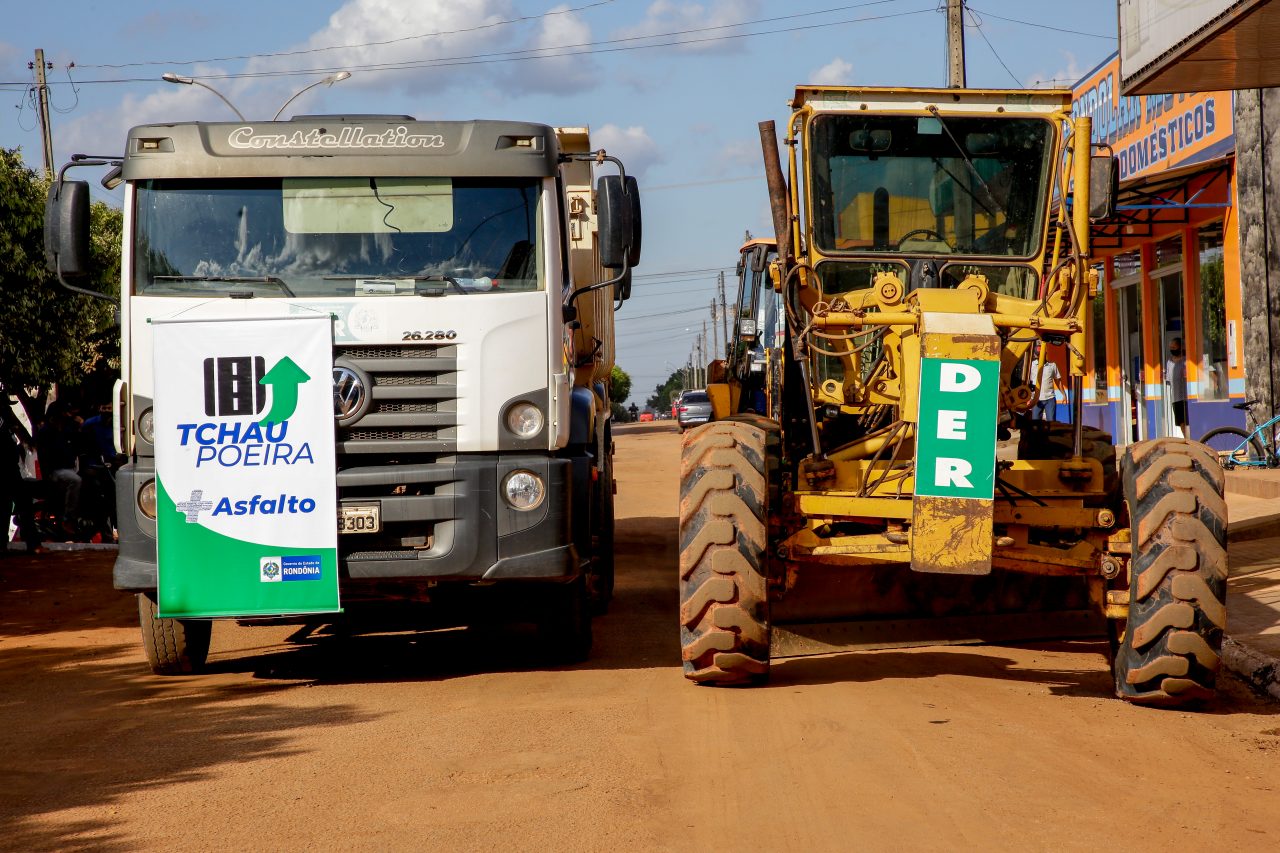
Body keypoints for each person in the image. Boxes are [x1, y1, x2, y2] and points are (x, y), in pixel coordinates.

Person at [35, 403, 82, 540]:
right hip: (55, 471)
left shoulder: (67, 430)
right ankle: (69, 518)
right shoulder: (46, 432)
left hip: (69, 468)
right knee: (76, 480)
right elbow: (45, 457)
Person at [1, 427, 44, 556]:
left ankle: (33, 543)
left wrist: (26, 439)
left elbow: (16, 426)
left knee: (23, 502)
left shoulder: (5, 413)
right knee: (5, 505)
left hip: (12, 470)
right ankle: (3, 545)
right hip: (5, 470)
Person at [1029, 352, 1067, 421]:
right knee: (1035, 423)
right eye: (1037, 354)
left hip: (1050, 398)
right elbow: (1027, 382)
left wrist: (1064, 394)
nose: (1039, 356)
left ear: (1045, 354)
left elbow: (1058, 381)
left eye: (1041, 354)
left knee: (1051, 422)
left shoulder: (1052, 365)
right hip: (1035, 399)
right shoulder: (1031, 365)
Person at [1165, 336, 1190, 439]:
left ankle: (1190, 440)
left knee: (1187, 420)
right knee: (1180, 421)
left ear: (1180, 347)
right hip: (1175, 397)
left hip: (1186, 396)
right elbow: (1168, 379)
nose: (1172, 349)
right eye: (1171, 347)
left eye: (1174, 347)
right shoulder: (1169, 362)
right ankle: (1186, 439)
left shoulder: (1186, 361)